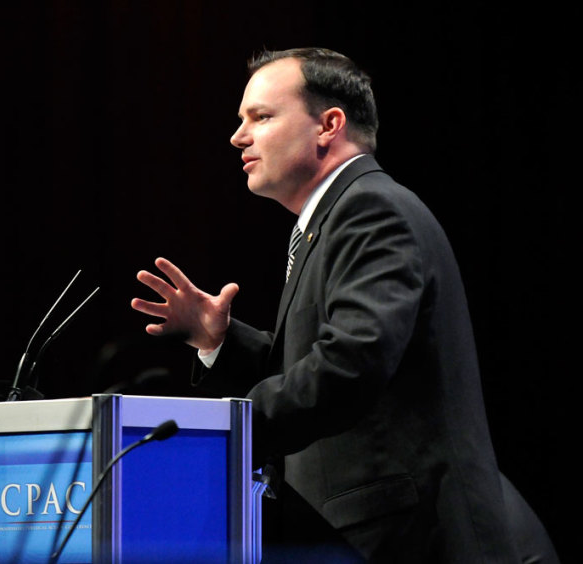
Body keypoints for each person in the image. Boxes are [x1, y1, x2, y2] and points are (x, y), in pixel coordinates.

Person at [131, 48, 559, 563]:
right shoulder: (331, 219)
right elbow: (324, 367)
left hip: (404, 538)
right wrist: (221, 343)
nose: (238, 137)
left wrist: (227, 429)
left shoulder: (369, 209)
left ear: (328, 125)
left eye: (260, 117)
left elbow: (349, 367)